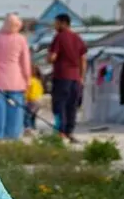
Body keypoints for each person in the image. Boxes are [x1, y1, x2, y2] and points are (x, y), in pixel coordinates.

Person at [48, 13, 87, 143]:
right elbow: (83, 59)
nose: (55, 26)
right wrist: (81, 77)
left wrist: (48, 58)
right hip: (75, 78)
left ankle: (61, 132)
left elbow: (52, 57)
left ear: (63, 23)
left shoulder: (59, 37)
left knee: (60, 104)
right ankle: (69, 131)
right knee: (72, 105)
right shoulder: (77, 38)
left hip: (62, 76)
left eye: (56, 23)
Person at [25, 64, 44, 133]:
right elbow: (41, 91)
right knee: (33, 115)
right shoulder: (38, 81)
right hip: (38, 100)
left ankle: (28, 128)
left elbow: (27, 91)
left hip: (31, 100)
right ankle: (33, 127)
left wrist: (25, 98)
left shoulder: (30, 80)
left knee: (27, 115)